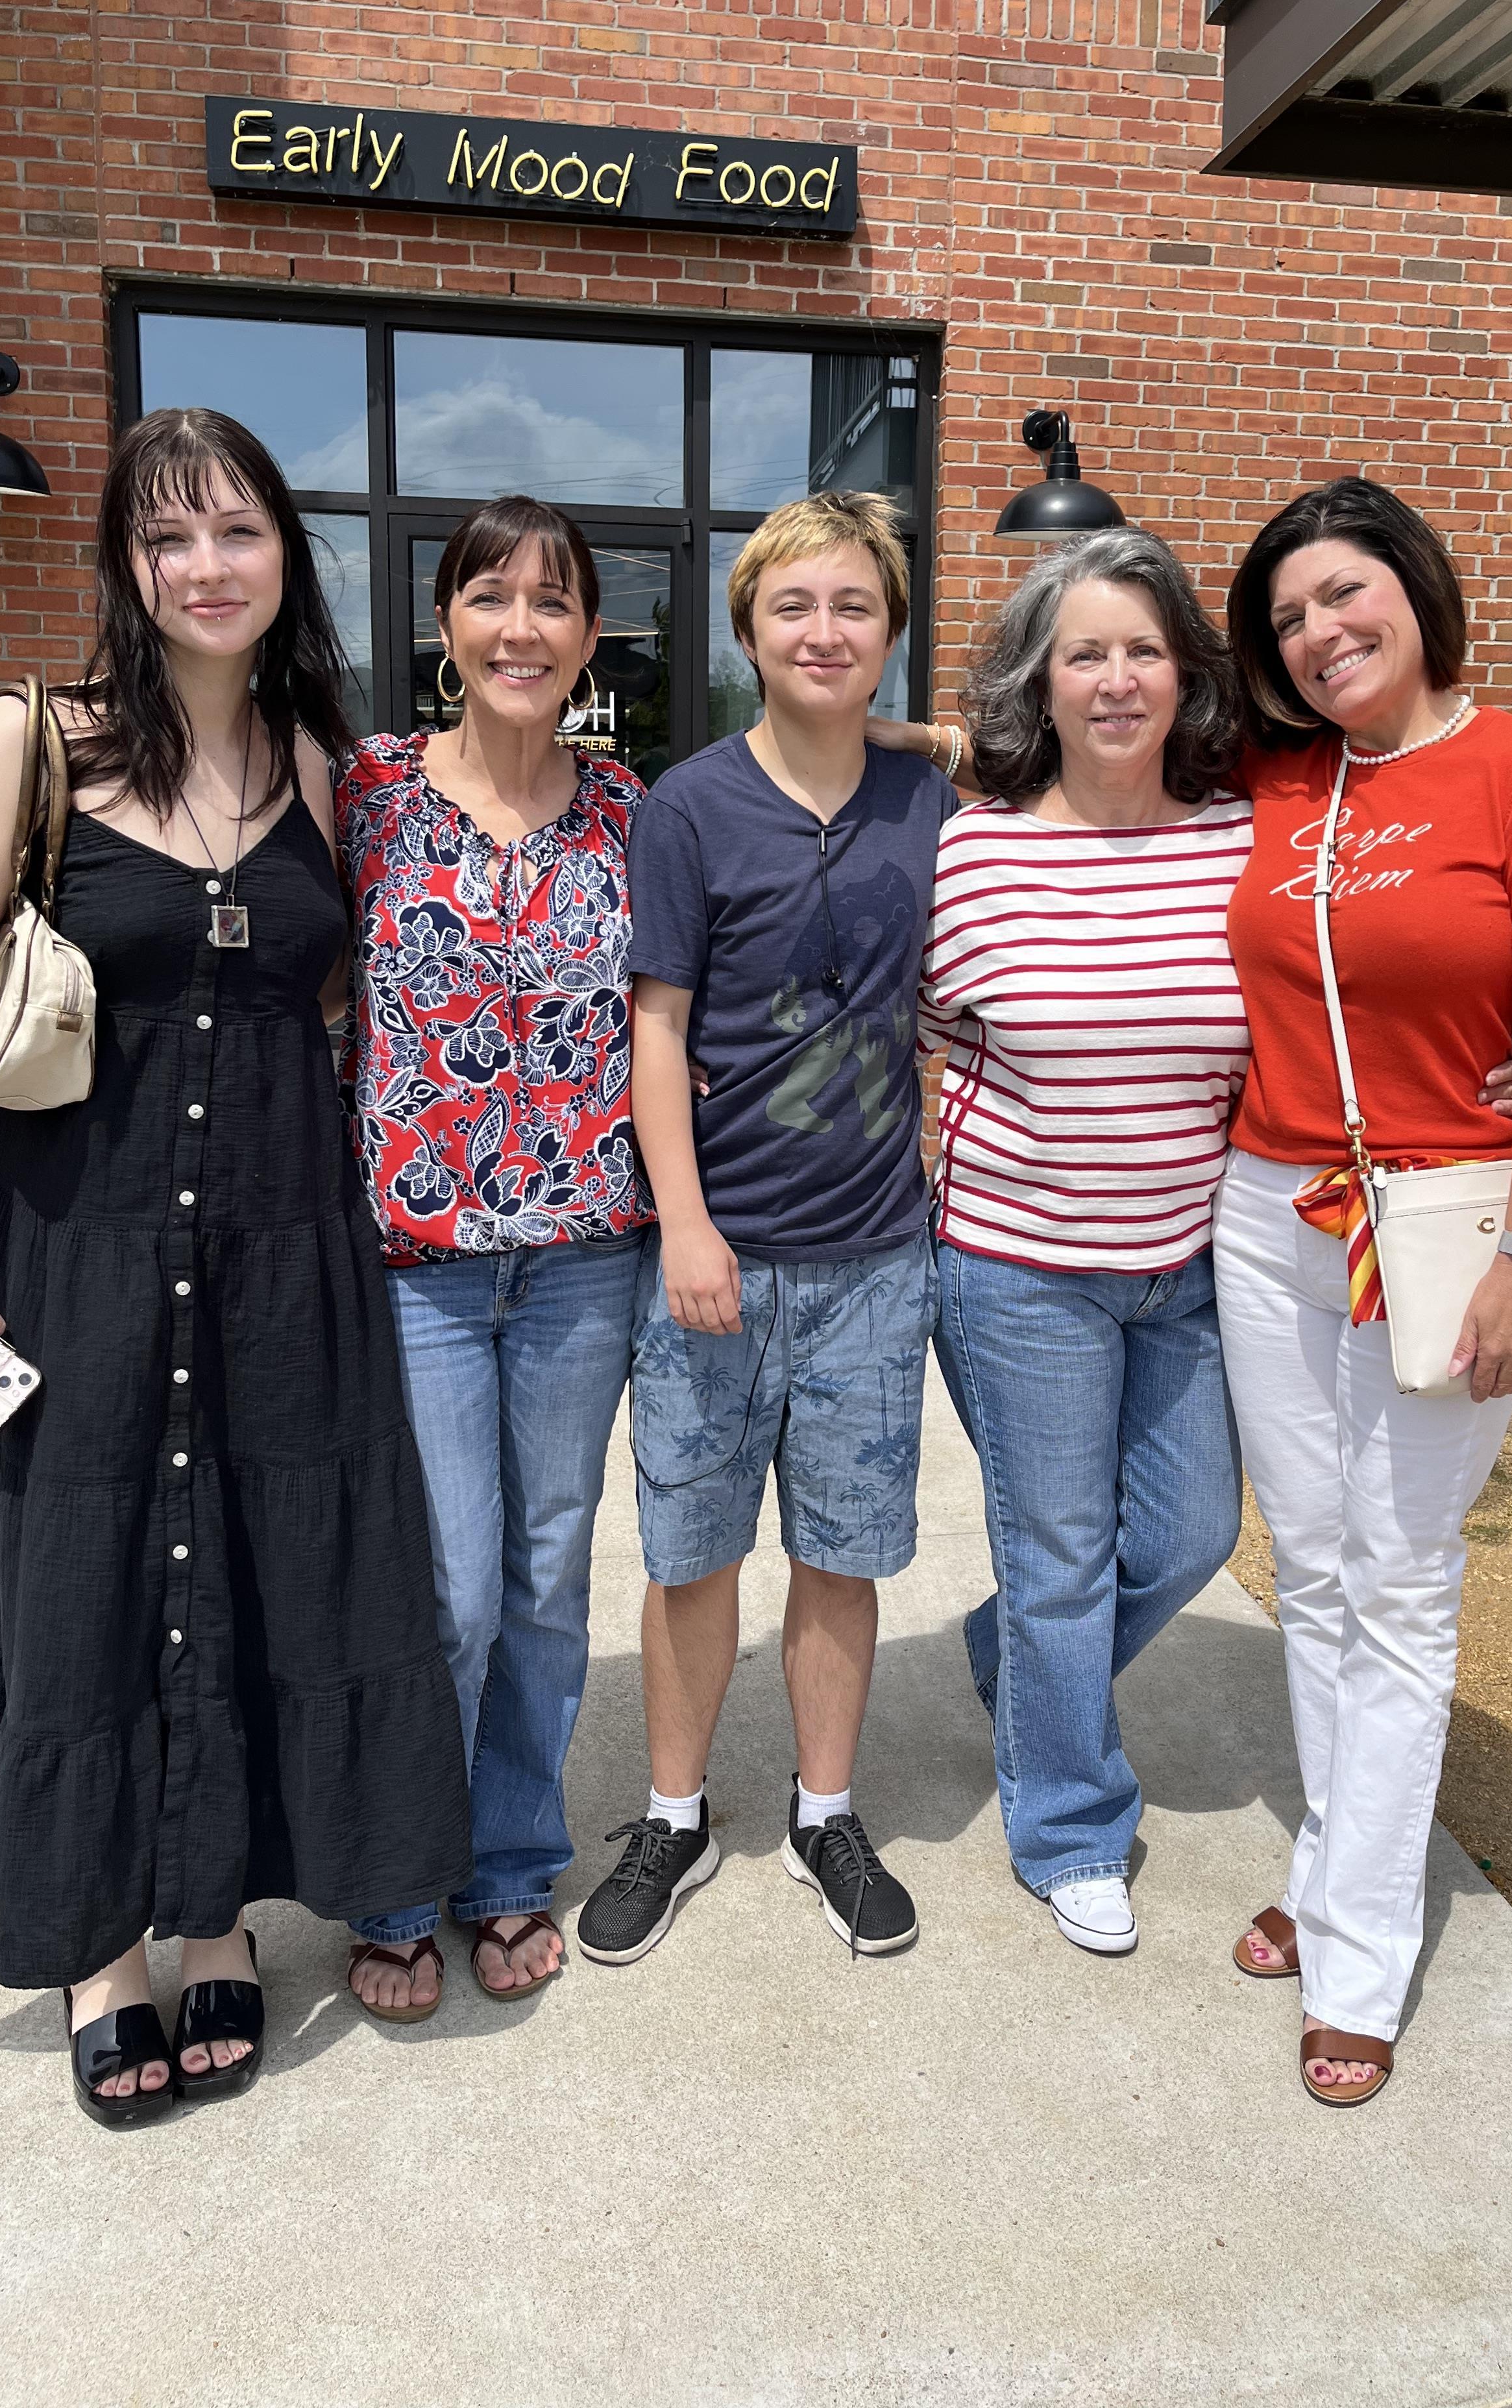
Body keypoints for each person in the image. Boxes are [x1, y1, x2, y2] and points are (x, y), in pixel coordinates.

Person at [0, 407, 470, 2126]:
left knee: (246, 1559)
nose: (206, 568)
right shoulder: (34, 743)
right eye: (168, 540)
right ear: (126, 566)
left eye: (236, 531)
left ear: (284, 553)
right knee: (74, 1584)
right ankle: (97, 1950)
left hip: (280, 1252)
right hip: (72, 1240)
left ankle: (216, 1905)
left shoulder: (318, 756)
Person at [1212, 475, 1512, 2106]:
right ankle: (1333, 1874)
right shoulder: (1276, 778)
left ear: (1418, 590)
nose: (1320, 636)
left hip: (1448, 1223)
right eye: (1291, 618)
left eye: (1344, 597)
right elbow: (1059, 749)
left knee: (1402, 1578)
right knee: (1311, 1567)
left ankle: (1360, 1951)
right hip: (1267, 1212)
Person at [574, 491, 957, 1967]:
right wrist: (684, 1225)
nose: (824, 630)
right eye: (793, 606)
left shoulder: (934, 794)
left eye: (854, 606)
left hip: (873, 1252)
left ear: (890, 634)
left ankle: (826, 1807)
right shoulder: (688, 807)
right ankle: (673, 1814)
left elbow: (1009, 763)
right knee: (691, 1552)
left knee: (844, 1551)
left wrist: (931, 742)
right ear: (747, 629)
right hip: (717, 1253)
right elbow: (653, 1028)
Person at [335, 496, 655, 2019]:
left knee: (544, 1574)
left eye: (553, 602)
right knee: (451, 1582)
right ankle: (402, 1875)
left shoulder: (635, 815)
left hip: (588, 1260)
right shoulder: (370, 796)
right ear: (446, 626)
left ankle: (513, 1864)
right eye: (490, 597)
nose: (521, 626)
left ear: (592, 638)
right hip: (423, 1267)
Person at [915, 529, 1252, 1954]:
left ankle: (1011, 1662)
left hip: (1185, 1271)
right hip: (1016, 1268)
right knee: (1059, 1554)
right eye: (1083, 654)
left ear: (1184, 672)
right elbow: (920, 1045)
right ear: (1037, 685)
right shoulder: (973, 853)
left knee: (1188, 1534)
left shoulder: (1244, 836)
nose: (1115, 680)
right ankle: (1068, 1825)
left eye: (1142, 649)